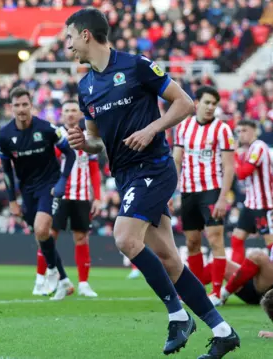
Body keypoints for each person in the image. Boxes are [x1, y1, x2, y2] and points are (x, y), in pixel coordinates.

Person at [64, 8, 239, 358]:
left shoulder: (136, 65)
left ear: (86, 35)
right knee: (170, 259)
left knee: (125, 238)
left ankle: (177, 315)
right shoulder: (85, 87)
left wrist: (151, 129)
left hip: (155, 167)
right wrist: (86, 142)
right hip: (126, 174)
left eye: (69, 36)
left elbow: (185, 103)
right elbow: (98, 141)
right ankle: (223, 331)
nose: (66, 44)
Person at [0, 87, 75, 301]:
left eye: (25, 104)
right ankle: (64, 281)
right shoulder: (4, 136)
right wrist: (12, 200)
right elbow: (6, 171)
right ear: (10, 108)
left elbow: (70, 152)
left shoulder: (47, 129)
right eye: (17, 105)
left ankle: (51, 271)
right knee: (42, 236)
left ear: (31, 105)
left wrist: (61, 182)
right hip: (27, 190)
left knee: (42, 229)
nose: (21, 109)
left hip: (48, 186)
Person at [173, 86, 235, 305]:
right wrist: (173, 191)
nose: (210, 107)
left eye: (214, 104)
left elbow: (229, 167)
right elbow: (177, 160)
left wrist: (222, 197)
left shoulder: (223, 130)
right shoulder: (182, 128)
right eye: (207, 102)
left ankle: (217, 293)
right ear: (196, 103)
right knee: (192, 243)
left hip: (212, 191)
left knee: (216, 239)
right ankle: (197, 291)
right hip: (189, 191)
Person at [50, 100, 102, 298]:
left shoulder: (88, 136)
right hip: (59, 194)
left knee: (81, 238)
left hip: (81, 195)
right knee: (49, 236)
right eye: (66, 111)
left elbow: (94, 170)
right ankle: (54, 280)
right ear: (61, 114)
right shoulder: (54, 135)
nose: (70, 114)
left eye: (74, 110)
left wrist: (97, 197)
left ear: (80, 114)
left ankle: (83, 283)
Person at [229, 120, 273, 265]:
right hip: (250, 204)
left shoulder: (259, 147)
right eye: (238, 131)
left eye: (244, 130)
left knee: (271, 243)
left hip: (263, 205)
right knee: (236, 238)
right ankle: (237, 277)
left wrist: (235, 155)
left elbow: (243, 173)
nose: (241, 134)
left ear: (254, 131)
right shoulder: (250, 149)